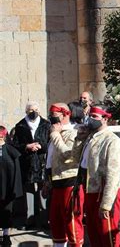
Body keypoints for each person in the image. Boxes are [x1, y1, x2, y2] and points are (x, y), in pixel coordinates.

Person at [80, 105, 120, 247]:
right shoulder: (89, 138)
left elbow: (114, 175)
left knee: (108, 236)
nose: (90, 119)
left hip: (104, 194)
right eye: (90, 116)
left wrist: (106, 204)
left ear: (105, 119)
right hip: (90, 192)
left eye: (95, 117)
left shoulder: (112, 141)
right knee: (94, 236)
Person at [45, 103, 85, 247]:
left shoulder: (74, 132)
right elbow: (50, 160)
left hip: (70, 182)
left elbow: (69, 156)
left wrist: (55, 135)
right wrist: (47, 181)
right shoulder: (55, 133)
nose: (52, 120)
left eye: (55, 117)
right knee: (56, 221)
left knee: (72, 221)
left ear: (65, 114)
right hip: (56, 182)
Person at [12, 101, 50, 229]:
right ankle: (30, 220)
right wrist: (27, 146)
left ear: (39, 111)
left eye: (35, 109)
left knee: (42, 191)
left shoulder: (46, 124)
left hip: (42, 162)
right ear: (26, 111)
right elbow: (15, 145)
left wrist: (41, 146)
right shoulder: (20, 126)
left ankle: (44, 220)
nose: (33, 112)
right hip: (27, 163)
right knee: (28, 191)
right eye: (30, 110)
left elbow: (50, 143)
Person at [0, 126, 22, 247]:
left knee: (7, 212)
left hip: (7, 187)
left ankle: (6, 235)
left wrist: (15, 188)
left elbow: (16, 172)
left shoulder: (10, 150)